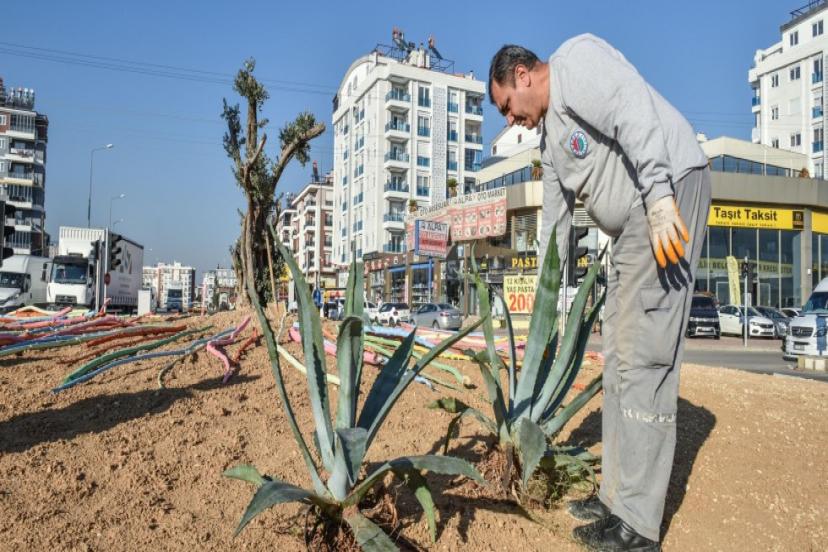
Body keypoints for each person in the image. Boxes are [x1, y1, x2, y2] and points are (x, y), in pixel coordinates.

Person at [488, 35, 711, 551]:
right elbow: (554, 227)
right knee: (617, 356)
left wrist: (659, 196)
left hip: (668, 191)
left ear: (523, 76)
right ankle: (615, 500)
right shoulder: (551, 140)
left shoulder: (575, 61)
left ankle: (638, 525)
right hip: (631, 223)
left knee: (645, 356)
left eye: (506, 106)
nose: (510, 119)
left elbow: (631, 106)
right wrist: (549, 302)